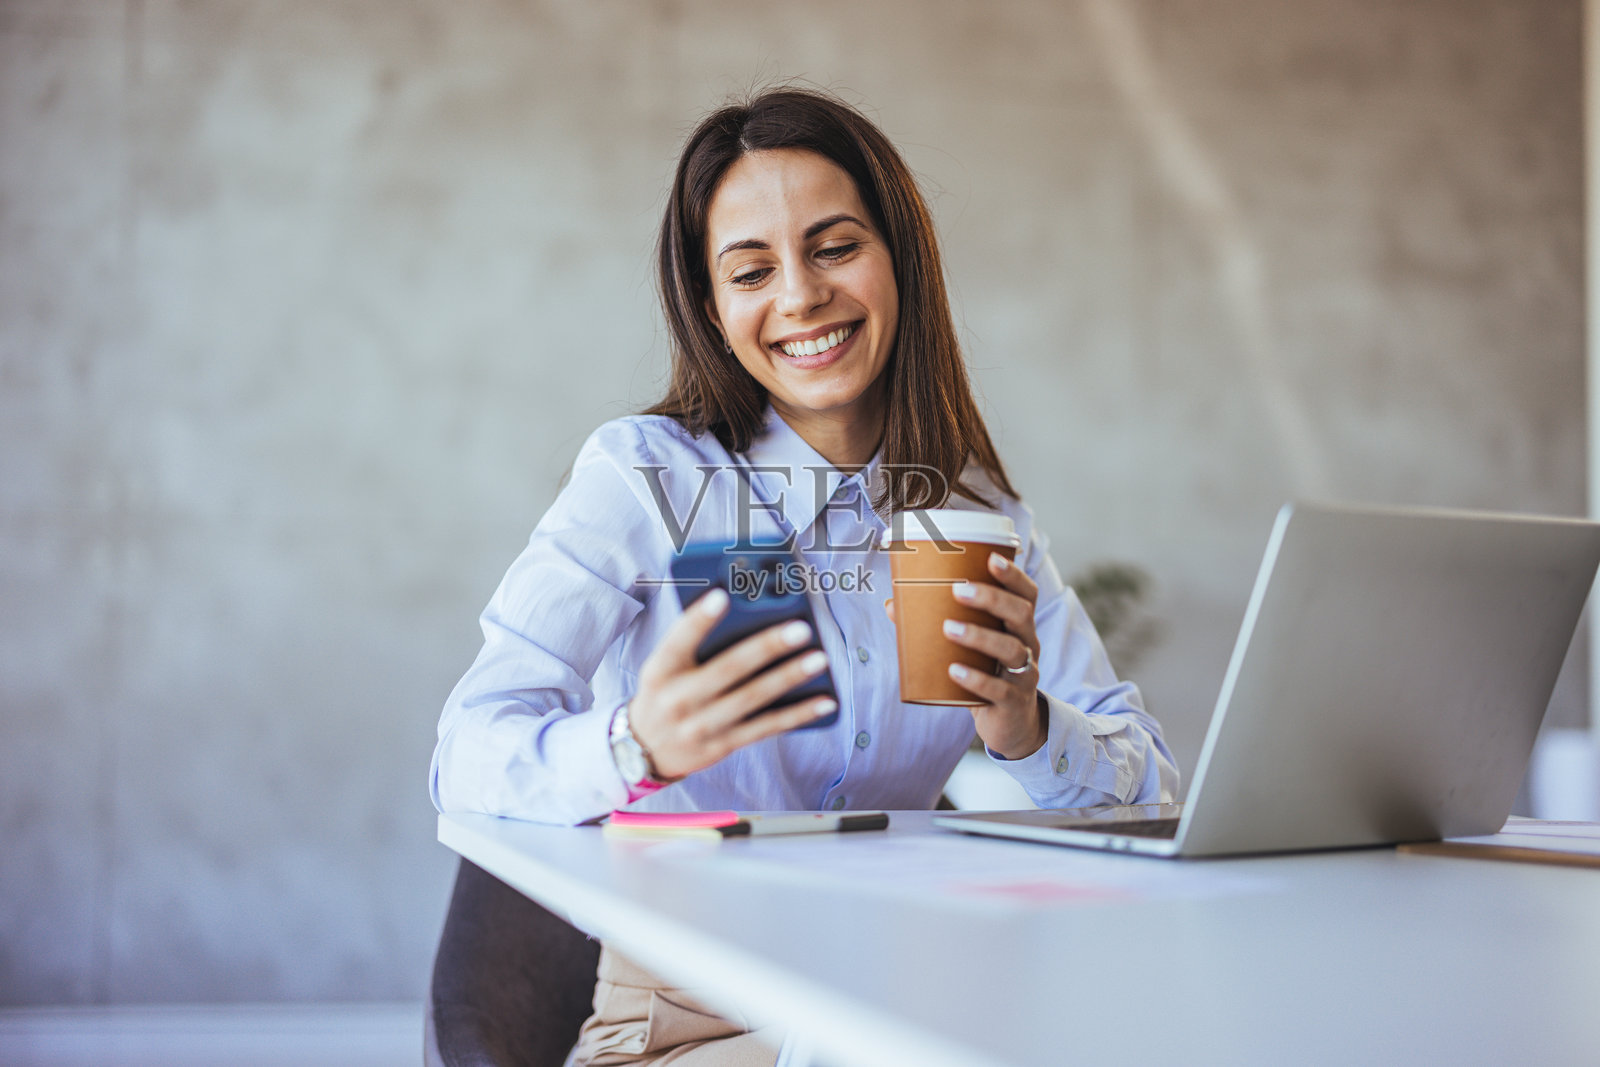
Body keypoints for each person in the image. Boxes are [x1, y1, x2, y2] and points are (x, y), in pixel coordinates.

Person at [431, 86, 1179, 1067]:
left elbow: (1151, 790)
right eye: (751, 269)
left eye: (833, 247)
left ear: (897, 258)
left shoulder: (973, 510)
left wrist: (1024, 726)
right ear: (714, 307)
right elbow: (465, 751)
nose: (799, 294)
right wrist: (634, 744)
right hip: (687, 1008)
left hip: (907, 985)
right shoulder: (649, 478)